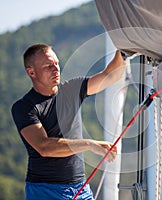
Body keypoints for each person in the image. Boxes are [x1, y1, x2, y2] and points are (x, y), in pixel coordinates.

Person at [11, 43, 126, 199]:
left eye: (56, 64)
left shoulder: (72, 89)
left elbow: (111, 75)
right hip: (45, 191)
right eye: (48, 66)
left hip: (80, 187)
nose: (56, 69)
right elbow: (44, 147)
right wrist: (89, 144)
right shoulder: (24, 107)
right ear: (31, 72)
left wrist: (123, 49)